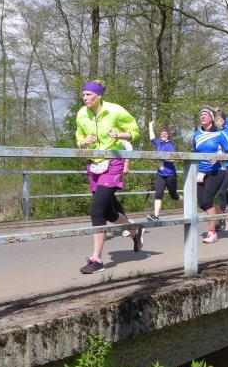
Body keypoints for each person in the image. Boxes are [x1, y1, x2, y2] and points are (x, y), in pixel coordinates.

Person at [76, 80, 141, 274]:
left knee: (96, 209)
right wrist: (84, 142)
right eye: (83, 94)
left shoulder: (115, 111)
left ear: (99, 96)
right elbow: (79, 139)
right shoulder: (81, 114)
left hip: (113, 163)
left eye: (88, 94)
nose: (85, 97)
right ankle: (135, 230)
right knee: (107, 213)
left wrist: (120, 135)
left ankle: (96, 259)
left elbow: (135, 132)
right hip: (94, 165)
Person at [192, 107, 228, 244]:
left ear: (211, 118)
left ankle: (212, 233)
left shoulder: (220, 134)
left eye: (206, 114)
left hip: (217, 170)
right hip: (201, 172)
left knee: (207, 201)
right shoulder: (196, 135)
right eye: (201, 114)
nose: (203, 116)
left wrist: (219, 157)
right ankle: (225, 215)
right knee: (202, 204)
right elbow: (195, 153)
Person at [146, 120, 182, 221]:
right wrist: (150, 125)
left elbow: (173, 159)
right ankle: (156, 216)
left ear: (168, 136)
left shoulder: (170, 146)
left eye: (165, 134)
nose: (163, 135)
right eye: (162, 134)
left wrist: (161, 157)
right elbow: (152, 137)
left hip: (170, 174)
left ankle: (187, 203)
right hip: (160, 174)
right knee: (158, 194)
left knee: (173, 195)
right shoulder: (158, 143)